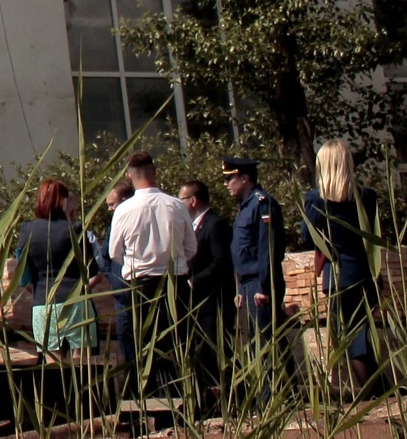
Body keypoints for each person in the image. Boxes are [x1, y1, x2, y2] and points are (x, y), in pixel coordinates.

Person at [107, 150, 196, 400]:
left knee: (142, 348)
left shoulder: (123, 211)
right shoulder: (176, 205)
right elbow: (191, 247)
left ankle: (146, 398)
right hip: (174, 283)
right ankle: (179, 396)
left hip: (140, 285)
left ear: (129, 175)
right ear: (154, 171)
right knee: (175, 345)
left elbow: (114, 252)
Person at [301, 139, 377, 394]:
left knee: (351, 335)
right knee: (361, 331)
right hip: (365, 272)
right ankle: (379, 388)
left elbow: (306, 235)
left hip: (336, 274)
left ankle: (372, 390)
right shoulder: (366, 197)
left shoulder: (315, 199)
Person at [13, 179, 92, 356]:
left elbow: (23, 276)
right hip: (75, 300)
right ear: (62, 200)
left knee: (52, 365)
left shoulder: (27, 230)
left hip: (43, 301)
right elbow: (90, 268)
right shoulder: (75, 228)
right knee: (81, 366)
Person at [179, 177, 234, 406]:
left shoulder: (215, 224)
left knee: (215, 351)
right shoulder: (192, 226)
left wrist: (195, 281)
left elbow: (221, 262)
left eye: (181, 199)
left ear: (193, 200)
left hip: (213, 302)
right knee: (199, 354)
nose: (179, 203)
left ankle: (226, 399)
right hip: (196, 304)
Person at [223, 156, 284, 338]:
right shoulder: (245, 206)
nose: (226, 184)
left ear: (244, 178)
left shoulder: (262, 203)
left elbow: (268, 248)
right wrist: (239, 288)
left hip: (259, 281)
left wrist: (264, 287)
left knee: (268, 341)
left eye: (229, 178)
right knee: (254, 343)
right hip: (247, 284)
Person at [87, 176, 136, 367]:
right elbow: (106, 256)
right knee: (127, 345)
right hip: (121, 296)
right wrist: (114, 279)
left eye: (112, 204)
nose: (110, 209)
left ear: (124, 201)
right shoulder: (114, 224)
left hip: (139, 290)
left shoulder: (135, 221)